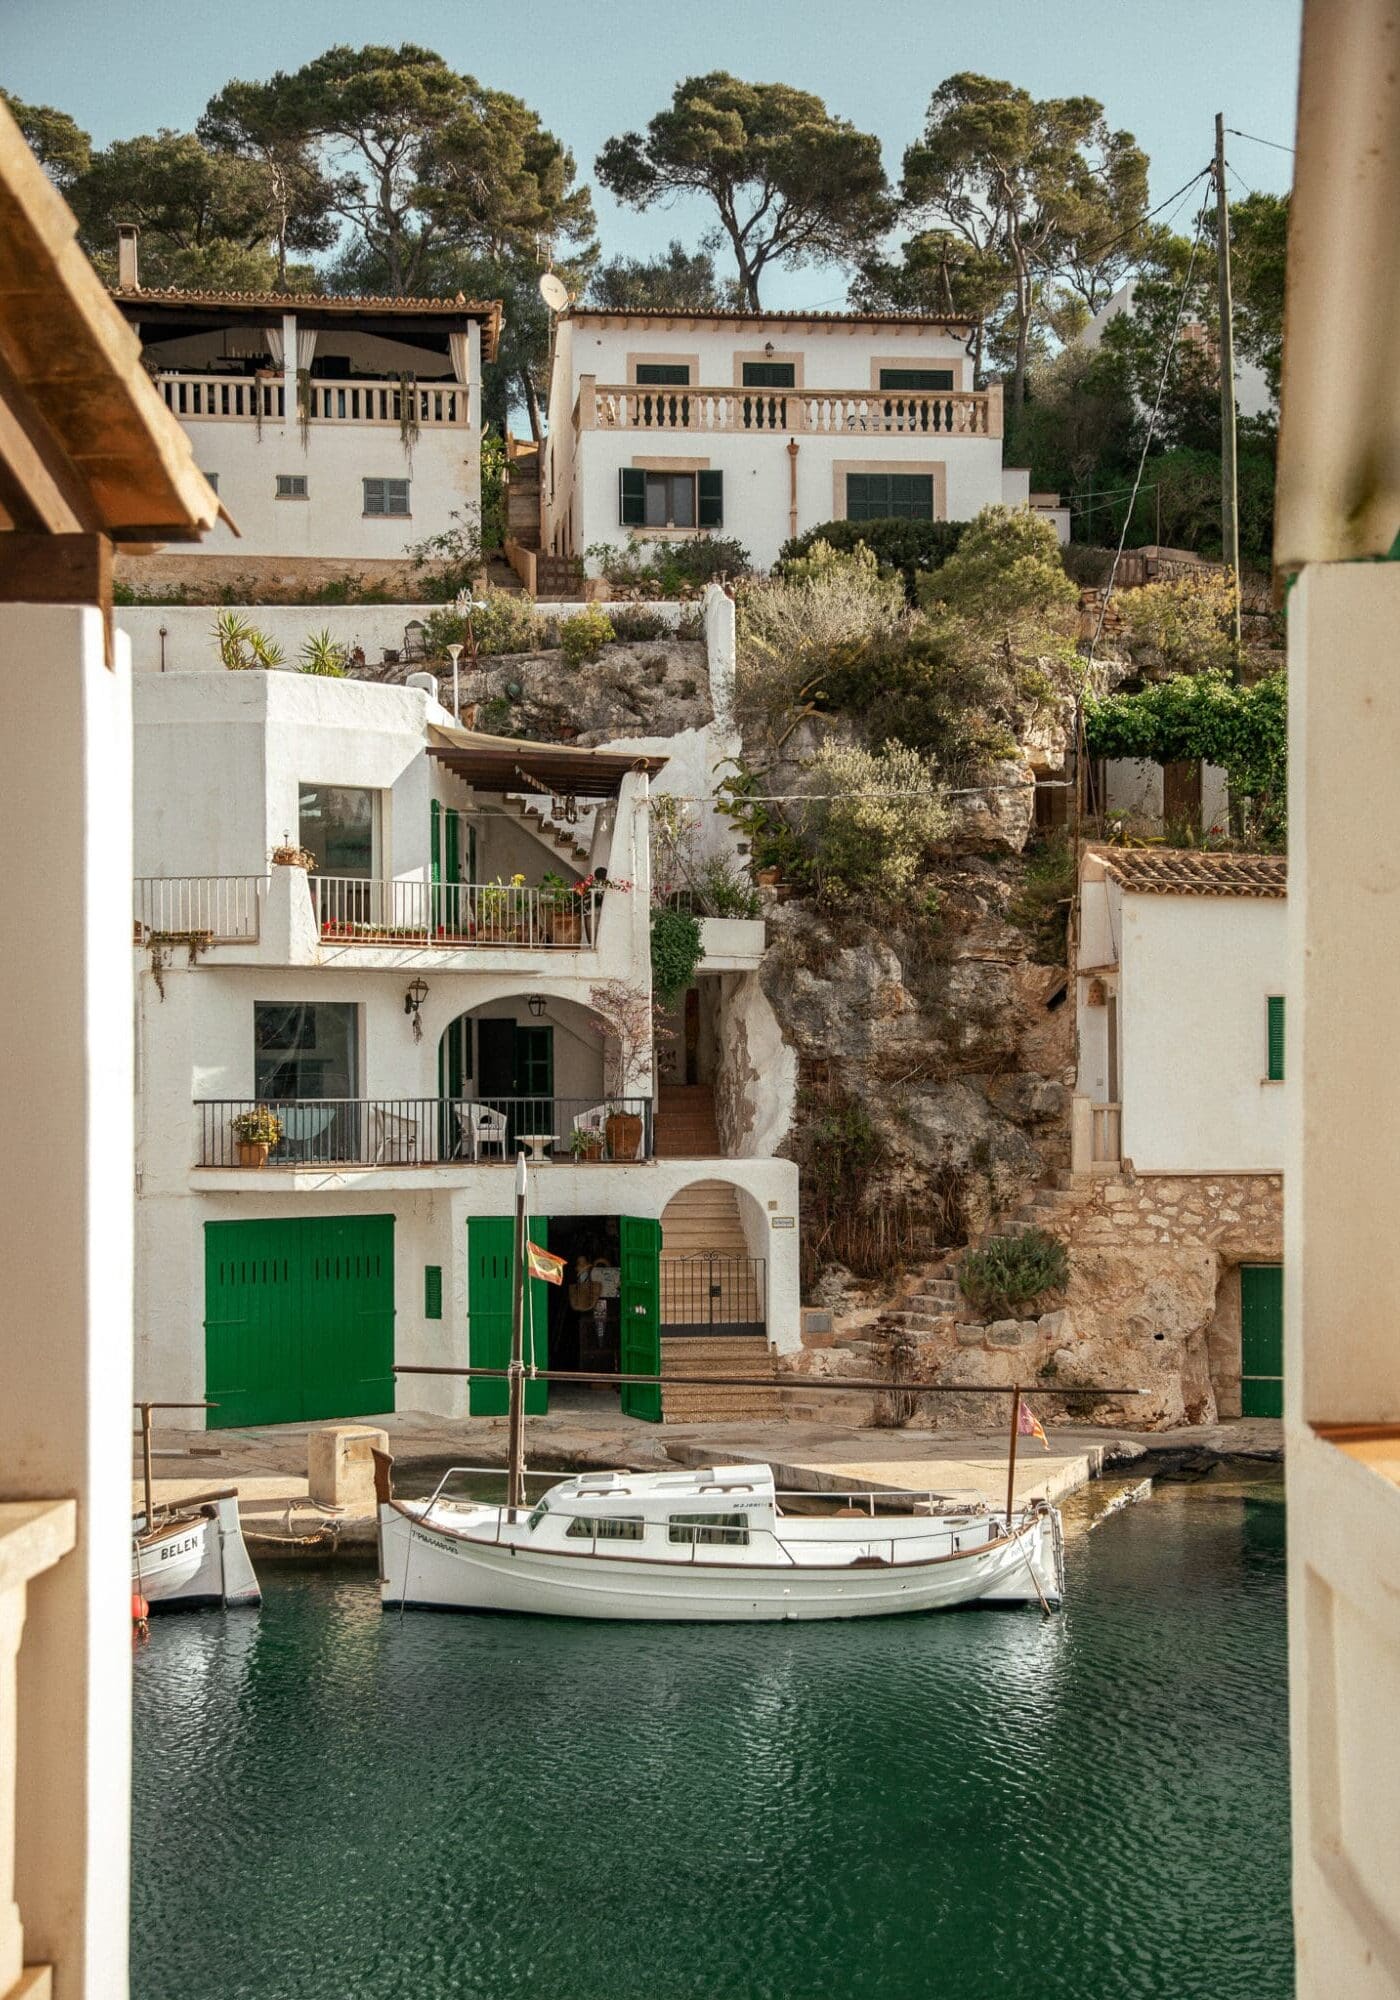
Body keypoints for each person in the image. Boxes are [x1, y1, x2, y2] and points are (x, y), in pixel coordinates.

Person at [591, 1252, 620, 1368]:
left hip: (602, 1302)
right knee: (600, 1328)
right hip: (601, 1302)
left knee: (605, 1330)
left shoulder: (593, 1273)